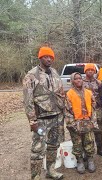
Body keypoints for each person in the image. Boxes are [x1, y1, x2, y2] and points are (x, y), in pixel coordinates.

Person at [23, 46, 64, 180]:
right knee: (38, 149)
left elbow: (60, 93)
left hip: (56, 117)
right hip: (41, 120)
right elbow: (27, 100)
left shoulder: (55, 72)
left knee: (53, 145)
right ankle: (35, 177)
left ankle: (50, 170)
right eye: (46, 57)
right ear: (40, 58)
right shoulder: (31, 75)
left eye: (51, 57)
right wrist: (32, 120)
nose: (49, 59)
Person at [65, 72, 99, 174]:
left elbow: (93, 108)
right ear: (72, 81)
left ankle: (90, 160)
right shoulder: (69, 94)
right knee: (77, 143)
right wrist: (72, 124)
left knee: (89, 141)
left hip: (87, 121)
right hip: (76, 123)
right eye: (76, 79)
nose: (78, 80)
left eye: (80, 78)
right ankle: (79, 161)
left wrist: (93, 121)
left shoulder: (89, 92)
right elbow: (67, 111)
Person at [83, 63, 102, 157]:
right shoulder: (81, 82)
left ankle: (100, 149)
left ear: (94, 71)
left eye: (92, 70)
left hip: (97, 109)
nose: (90, 71)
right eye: (88, 70)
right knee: (86, 131)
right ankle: (87, 151)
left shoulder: (99, 83)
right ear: (85, 71)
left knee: (98, 130)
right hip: (85, 110)